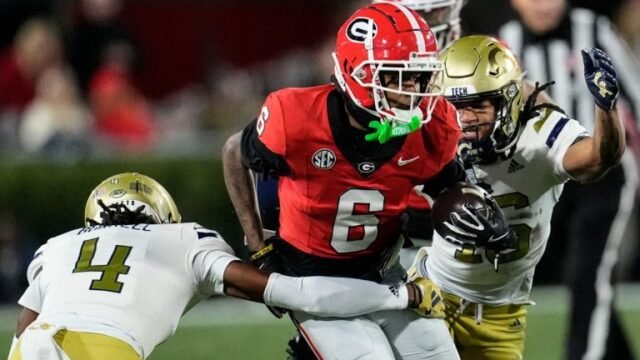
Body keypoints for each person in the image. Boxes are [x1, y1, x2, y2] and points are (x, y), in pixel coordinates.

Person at [221, 2, 520, 359]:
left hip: (384, 273)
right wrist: (257, 245)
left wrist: (474, 209)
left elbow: (450, 186)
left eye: (419, 77)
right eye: (397, 77)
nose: (414, 90)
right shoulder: (296, 118)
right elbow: (233, 153)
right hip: (315, 281)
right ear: (357, 74)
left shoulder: (430, 126)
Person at [7, 172, 444, 360]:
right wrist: (404, 293)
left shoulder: (57, 246)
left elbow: (24, 334)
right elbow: (299, 293)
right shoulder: (182, 240)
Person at [409, 35, 626, 359]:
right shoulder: (436, 131)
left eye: (478, 105)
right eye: (457, 107)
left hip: (501, 315)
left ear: (507, 100)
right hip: (433, 291)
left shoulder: (540, 135)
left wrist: (606, 110)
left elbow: (598, 159)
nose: (465, 119)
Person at [499, 1, 640, 359]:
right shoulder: (507, 42)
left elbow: (635, 95)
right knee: (581, 279)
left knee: (587, 274)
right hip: (546, 179)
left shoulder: (592, 29)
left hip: (605, 174)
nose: (543, 5)